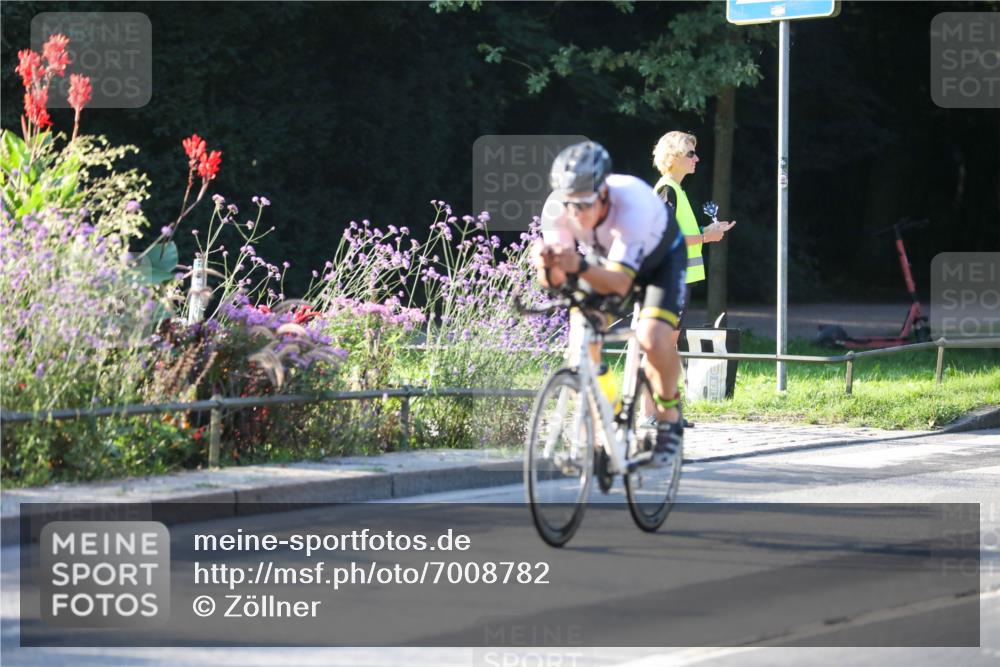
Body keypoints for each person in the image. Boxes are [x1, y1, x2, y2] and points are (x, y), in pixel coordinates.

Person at [530, 141, 687, 466]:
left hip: (660, 261)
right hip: (609, 257)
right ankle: (600, 434)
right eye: (571, 204)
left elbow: (619, 283)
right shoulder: (559, 209)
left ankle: (669, 415)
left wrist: (577, 266)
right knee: (581, 344)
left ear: (603, 193)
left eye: (585, 204)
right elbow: (560, 281)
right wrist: (545, 266)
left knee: (652, 337)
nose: (577, 213)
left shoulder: (631, 204)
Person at [651, 131, 736, 342]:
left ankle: (647, 376)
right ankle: (646, 376)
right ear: (673, 156)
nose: (696, 159)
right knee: (665, 344)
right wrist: (707, 238)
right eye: (690, 154)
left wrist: (705, 230)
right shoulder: (668, 190)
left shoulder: (675, 190)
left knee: (666, 343)